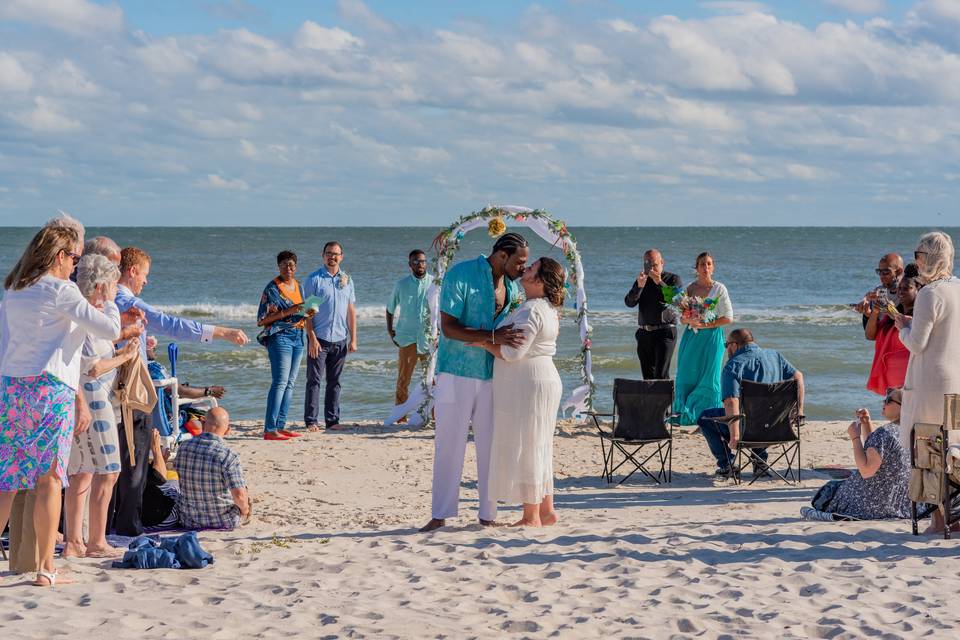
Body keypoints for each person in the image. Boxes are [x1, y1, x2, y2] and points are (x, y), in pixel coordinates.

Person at [0, 225, 121, 586]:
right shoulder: (62, 290)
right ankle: (45, 568)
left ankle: (42, 565)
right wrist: (109, 297)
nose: (75, 264)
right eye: (73, 257)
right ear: (58, 256)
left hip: (12, 389)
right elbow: (109, 330)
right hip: (50, 388)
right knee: (50, 477)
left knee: (7, 479)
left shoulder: (14, 290)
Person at [111, 246, 248, 537]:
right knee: (132, 461)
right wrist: (222, 332)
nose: (146, 281)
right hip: (129, 392)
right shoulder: (125, 301)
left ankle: (114, 522)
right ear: (132, 271)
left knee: (117, 461)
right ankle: (126, 525)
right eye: (144, 274)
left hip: (111, 391)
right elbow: (172, 325)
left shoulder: (103, 300)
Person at [419, 233, 528, 533]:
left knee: (491, 447)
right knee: (449, 445)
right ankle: (440, 514)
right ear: (502, 255)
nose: (522, 267)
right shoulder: (461, 274)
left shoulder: (513, 288)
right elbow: (449, 328)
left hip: (493, 376)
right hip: (456, 372)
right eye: (519, 261)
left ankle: (487, 515)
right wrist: (491, 338)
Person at [473, 257, 565, 527]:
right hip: (541, 380)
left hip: (530, 384)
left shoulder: (532, 310)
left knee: (528, 445)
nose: (525, 269)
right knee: (539, 445)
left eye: (532, 267)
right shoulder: (546, 308)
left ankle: (531, 516)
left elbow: (512, 352)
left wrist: (481, 342)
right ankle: (546, 510)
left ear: (540, 280)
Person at [63, 255, 142, 559]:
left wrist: (122, 350)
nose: (113, 290)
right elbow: (93, 367)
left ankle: (76, 541)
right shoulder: (94, 312)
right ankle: (93, 540)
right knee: (108, 470)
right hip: (92, 396)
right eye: (110, 284)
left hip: (85, 395)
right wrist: (126, 356)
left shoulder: (83, 313)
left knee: (81, 470)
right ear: (100, 285)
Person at [896, 231, 960, 534]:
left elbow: (917, 344)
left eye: (918, 255)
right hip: (956, 380)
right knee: (954, 447)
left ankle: (938, 519)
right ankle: (954, 514)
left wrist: (901, 327)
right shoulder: (957, 288)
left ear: (930, 257)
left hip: (930, 382)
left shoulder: (929, 293)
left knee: (928, 449)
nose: (916, 261)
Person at [697, 328, 805, 479]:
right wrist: (799, 411)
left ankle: (727, 464)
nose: (726, 349)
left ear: (734, 345)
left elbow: (731, 401)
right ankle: (760, 462)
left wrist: (735, 436)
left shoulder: (734, 365)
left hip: (748, 430)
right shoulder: (775, 356)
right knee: (758, 413)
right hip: (777, 426)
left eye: (726, 345)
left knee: (704, 417)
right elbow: (798, 377)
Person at [801, 389, 910, 521]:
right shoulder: (911, 431)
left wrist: (855, 438)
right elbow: (876, 453)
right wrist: (866, 424)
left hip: (867, 504)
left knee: (827, 491)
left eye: (888, 400)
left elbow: (866, 470)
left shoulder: (884, 433)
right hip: (896, 503)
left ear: (903, 407)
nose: (884, 402)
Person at [672, 252, 734, 425]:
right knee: (686, 375)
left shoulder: (719, 289)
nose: (705, 267)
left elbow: (728, 318)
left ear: (713, 267)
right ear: (696, 268)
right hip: (692, 338)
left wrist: (706, 325)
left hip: (713, 339)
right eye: (702, 264)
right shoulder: (690, 289)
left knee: (710, 376)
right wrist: (688, 319)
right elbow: (681, 317)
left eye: (708, 264)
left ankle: (709, 416)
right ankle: (684, 414)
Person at [303, 241, 357, 431]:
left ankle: (332, 421)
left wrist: (354, 339)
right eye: (328, 253)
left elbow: (350, 310)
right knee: (314, 381)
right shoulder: (315, 279)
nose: (331, 257)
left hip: (340, 338)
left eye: (335, 254)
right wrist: (312, 337)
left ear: (341, 256)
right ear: (322, 255)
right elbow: (308, 312)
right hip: (320, 339)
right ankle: (311, 421)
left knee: (335, 382)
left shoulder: (347, 280)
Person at [257, 250, 308, 441]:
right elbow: (261, 320)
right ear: (278, 266)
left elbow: (302, 310)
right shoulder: (272, 289)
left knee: (290, 383)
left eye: (292, 265)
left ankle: (280, 425)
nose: (289, 268)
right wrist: (289, 311)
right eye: (285, 264)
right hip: (280, 336)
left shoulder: (300, 286)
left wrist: (308, 311)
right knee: (279, 382)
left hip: (299, 335)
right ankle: (269, 428)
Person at [172, 407, 251, 530]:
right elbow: (239, 497)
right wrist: (245, 510)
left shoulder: (184, 447)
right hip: (223, 520)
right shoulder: (228, 455)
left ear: (203, 423)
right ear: (228, 430)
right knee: (244, 494)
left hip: (188, 520)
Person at [624, 248, 682, 380]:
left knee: (661, 376)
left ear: (662, 262)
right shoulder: (642, 280)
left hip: (665, 332)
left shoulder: (673, 279)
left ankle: (666, 401)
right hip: (644, 333)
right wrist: (638, 287)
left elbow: (677, 301)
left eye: (654, 264)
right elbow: (629, 303)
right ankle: (651, 401)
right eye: (647, 265)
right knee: (647, 378)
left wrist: (659, 283)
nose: (651, 269)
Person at [386, 250, 431, 421]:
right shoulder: (401, 285)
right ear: (410, 264)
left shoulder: (435, 283)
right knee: (403, 380)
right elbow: (390, 308)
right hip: (407, 338)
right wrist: (390, 330)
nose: (420, 264)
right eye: (416, 262)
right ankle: (400, 416)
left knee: (431, 380)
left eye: (423, 261)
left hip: (428, 339)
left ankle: (430, 414)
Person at [865, 275, 919, 395]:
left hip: (910, 376)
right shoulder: (890, 316)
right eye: (899, 288)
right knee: (893, 412)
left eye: (907, 288)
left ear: (918, 290)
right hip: (890, 377)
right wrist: (875, 311)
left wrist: (890, 309)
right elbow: (870, 335)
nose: (901, 291)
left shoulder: (920, 314)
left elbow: (906, 323)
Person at [855, 253, 904, 327]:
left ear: (899, 271)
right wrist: (868, 314)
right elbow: (871, 333)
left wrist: (889, 308)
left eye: (886, 272)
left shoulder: (906, 293)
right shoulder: (879, 291)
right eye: (879, 271)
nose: (881, 276)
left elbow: (906, 323)